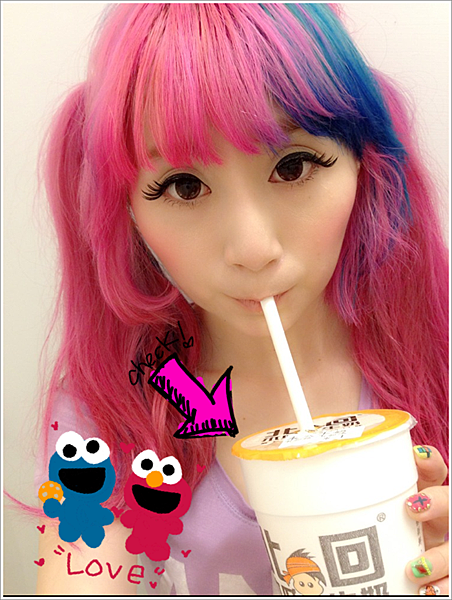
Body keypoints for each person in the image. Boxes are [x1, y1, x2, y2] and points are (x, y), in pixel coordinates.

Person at [31, 3, 448, 596]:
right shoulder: (106, 408)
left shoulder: (441, 356)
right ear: (127, 213)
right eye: (184, 186)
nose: (252, 249)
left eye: (294, 166)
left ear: (365, 164)